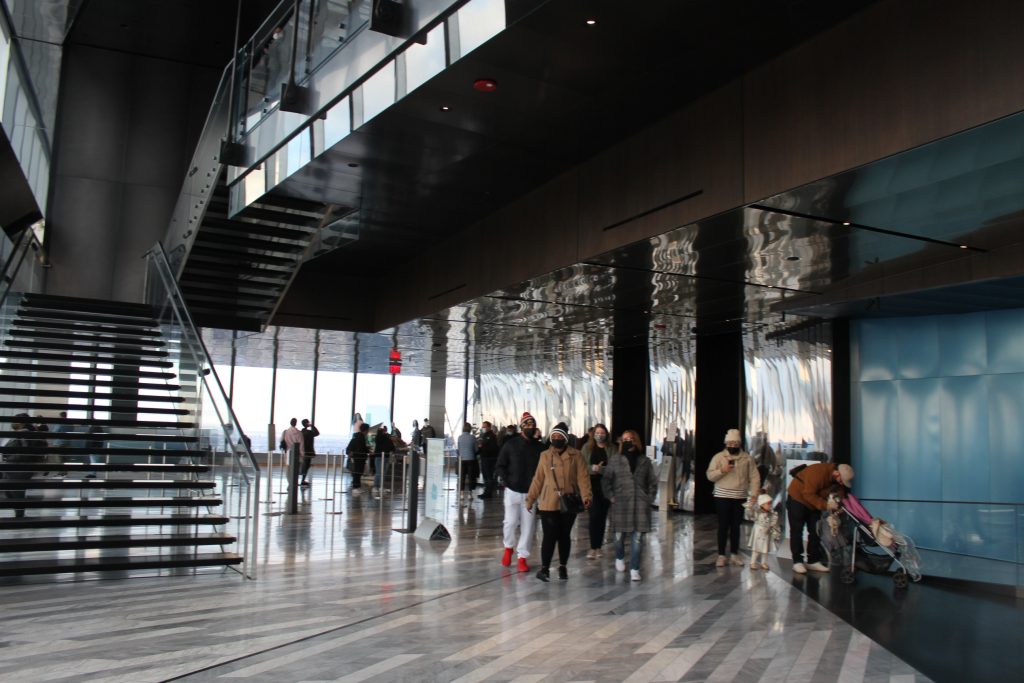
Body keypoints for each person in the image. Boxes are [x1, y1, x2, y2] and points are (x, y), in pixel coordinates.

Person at [525, 424, 591, 581]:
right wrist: (531, 498)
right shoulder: (545, 456)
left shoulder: (577, 455)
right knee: (549, 535)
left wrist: (586, 496)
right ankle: (545, 569)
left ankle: (563, 567)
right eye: (554, 437)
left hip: (568, 502)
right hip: (549, 502)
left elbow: (583, 478)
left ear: (566, 438)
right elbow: (538, 479)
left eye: (560, 437)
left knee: (564, 535)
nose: (556, 439)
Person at [602, 429, 658, 581]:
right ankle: (619, 557)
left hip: (640, 504)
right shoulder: (615, 460)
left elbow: (652, 482)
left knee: (638, 538)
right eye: (625, 439)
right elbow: (606, 480)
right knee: (619, 537)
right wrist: (611, 496)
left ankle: (635, 568)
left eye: (631, 438)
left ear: (636, 441)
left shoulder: (645, 461)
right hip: (621, 503)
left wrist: (649, 498)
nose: (628, 441)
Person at [494, 412, 545, 571]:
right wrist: (506, 481)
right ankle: (508, 548)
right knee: (509, 522)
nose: (531, 427)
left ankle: (522, 557)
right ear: (522, 427)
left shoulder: (540, 448)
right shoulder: (511, 444)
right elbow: (500, 465)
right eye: (527, 425)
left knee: (528, 527)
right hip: (512, 491)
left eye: (533, 425)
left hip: (531, 494)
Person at [787, 461, 854, 574]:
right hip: (797, 499)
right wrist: (826, 505)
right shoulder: (818, 472)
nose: (842, 484)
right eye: (842, 481)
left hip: (813, 503)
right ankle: (797, 561)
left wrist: (839, 506)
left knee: (815, 530)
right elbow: (808, 494)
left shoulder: (836, 481)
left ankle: (813, 560)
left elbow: (839, 494)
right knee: (796, 530)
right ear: (837, 474)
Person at [706, 428, 760, 568]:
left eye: (736, 443)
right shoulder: (718, 457)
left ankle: (735, 554)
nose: (733, 446)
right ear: (726, 443)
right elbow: (710, 476)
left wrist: (754, 494)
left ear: (740, 444)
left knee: (736, 526)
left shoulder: (747, 458)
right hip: (722, 495)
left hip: (740, 496)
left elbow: (754, 477)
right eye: (730, 443)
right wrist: (722, 470)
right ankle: (721, 555)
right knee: (723, 525)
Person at [580, 422, 617, 558]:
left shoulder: (612, 448)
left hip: (606, 488)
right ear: (593, 434)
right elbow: (582, 466)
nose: (599, 435)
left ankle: (599, 547)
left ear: (606, 434)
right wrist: (592, 468)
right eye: (597, 433)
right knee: (594, 516)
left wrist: (601, 469)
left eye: (602, 433)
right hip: (591, 487)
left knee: (602, 517)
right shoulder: (587, 448)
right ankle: (592, 547)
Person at [1, 415, 39, 517]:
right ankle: (19, 511)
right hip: (11, 466)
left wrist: (9, 457)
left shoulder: (25, 434)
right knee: (10, 491)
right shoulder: (16, 434)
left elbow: (26, 453)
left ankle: (19, 513)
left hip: (18, 467)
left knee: (16, 491)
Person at [749, 493, 781, 570]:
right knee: (756, 548)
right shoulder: (757, 512)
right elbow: (751, 511)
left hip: (766, 533)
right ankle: (752, 562)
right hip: (758, 532)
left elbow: (774, 523)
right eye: (768, 504)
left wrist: (775, 532)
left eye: (771, 504)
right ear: (762, 504)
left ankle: (764, 562)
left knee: (765, 549)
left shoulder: (772, 514)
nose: (770, 505)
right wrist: (752, 504)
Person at [477, 421, 500, 499]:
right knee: (485, 476)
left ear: (489, 427)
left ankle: (488, 493)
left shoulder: (491, 436)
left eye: (485, 427)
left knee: (488, 477)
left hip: (489, 459)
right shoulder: (484, 435)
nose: (483, 428)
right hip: (484, 458)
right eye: (482, 427)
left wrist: (482, 447)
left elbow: (493, 448)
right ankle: (486, 492)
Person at [345, 423, 370, 492]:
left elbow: (351, 447)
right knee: (358, 473)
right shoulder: (361, 438)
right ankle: (356, 488)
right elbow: (361, 448)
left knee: (357, 473)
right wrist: (368, 450)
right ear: (366, 430)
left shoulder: (356, 437)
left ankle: (357, 487)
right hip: (359, 458)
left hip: (357, 458)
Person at [372, 425, 395, 499]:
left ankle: (377, 487)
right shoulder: (386, 438)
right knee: (382, 472)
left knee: (379, 472)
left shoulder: (377, 438)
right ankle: (379, 487)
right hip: (385, 457)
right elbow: (392, 447)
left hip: (379, 456)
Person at [298, 419, 320, 487]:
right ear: (307, 424)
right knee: (306, 465)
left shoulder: (300, 432)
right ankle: (303, 480)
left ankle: (300, 479)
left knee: (302, 465)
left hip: (301, 451)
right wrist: (312, 426)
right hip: (308, 452)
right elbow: (317, 433)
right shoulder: (309, 432)